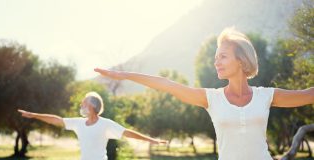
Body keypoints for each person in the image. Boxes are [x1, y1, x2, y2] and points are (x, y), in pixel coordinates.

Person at [94, 27, 314, 160]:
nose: (216, 62)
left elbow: (308, 94)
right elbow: (167, 84)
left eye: (223, 56)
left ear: (241, 60)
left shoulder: (266, 96)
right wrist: (124, 75)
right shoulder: (211, 98)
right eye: (215, 57)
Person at [18, 91, 167, 160]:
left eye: (84, 102)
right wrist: (35, 115)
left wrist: (152, 140)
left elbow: (127, 132)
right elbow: (56, 120)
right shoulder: (78, 123)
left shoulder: (105, 124)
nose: (81, 104)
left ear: (92, 106)